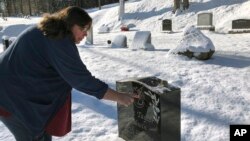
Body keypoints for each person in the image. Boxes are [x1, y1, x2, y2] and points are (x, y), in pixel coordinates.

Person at [0, 6, 137, 141]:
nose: (85, 34)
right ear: (70, 24)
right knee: (32, 136)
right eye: (82, 29)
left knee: (41, 133)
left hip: (20, 92)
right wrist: (120, 97)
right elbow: (81, 80)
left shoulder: (50, 32)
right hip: (12, 98)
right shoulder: (57, 41)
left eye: (87, 30)